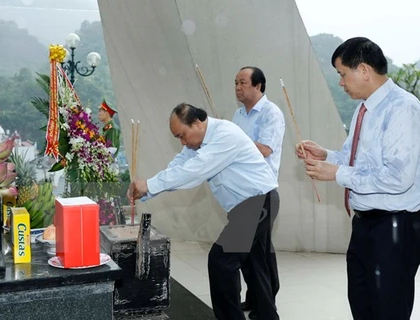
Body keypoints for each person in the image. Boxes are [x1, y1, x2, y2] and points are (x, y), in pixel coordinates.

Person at [295, 37, 420, 320]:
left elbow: (398, 177)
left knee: (388, 309)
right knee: (363, 306)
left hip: (394, 227)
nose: (341, 82)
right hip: (365, 225)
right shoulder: (364, 109)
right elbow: (356, 161)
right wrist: (326, 156)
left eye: (342, 74)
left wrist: (337, 174)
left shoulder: (402, 108)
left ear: (363, 70)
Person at [128, 103, 280, 320]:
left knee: (221, 261)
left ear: (197, 123)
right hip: (251, 205)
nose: (182, 142)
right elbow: (179, 166)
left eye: (182, 135)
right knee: (256, 265)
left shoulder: (224, 135)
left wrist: (150, 184)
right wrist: (147, 191)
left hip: (258, 203)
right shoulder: (197, 142)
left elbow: (195, 171)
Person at [233, 66, 285, 319]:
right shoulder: (238, 114)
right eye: (236, 83)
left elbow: (265, 149)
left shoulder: (271, 113)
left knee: (256, 255)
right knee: (258, 252)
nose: (238, 88)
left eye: (243, 82)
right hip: (242, 192)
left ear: (259, 86)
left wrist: (236, 142)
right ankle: (256, 299)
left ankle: (266, 310)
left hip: (261, 192)